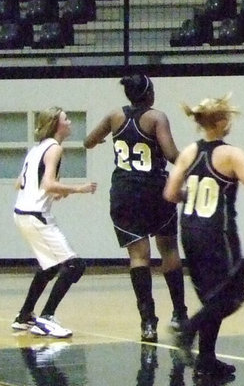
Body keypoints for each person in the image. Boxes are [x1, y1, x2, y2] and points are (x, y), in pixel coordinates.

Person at [164, 93, 244, 380]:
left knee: (212, 297)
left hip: (189, 230)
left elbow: (171, 194)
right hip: (217, 232)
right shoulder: (231, 154)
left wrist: (194, 194)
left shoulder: (188, 152)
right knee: (233, 296)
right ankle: (187, 331)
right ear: (222, 122)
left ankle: (206, 359)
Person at [84, 74, 187, 342]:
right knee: (169, 250)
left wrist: (101, 141)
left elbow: (88, 141)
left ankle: (147, 322)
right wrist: (193, 160)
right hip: (154, 190)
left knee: (138, 257)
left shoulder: (114, 116)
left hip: (125, 192)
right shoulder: (156, 118)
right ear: (149, 93)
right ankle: (179, 313)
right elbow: (170, 154)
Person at [12, 107, 97, 338]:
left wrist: (56, 192)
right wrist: (78, 189)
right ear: (56, 124)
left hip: (22, 213)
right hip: (36, 215)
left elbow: (20, 183)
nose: (69, 122)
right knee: (74, 265)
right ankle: (47, 317)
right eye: (65, 119)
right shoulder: (55, 148)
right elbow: (48, 184)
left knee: (49, 267)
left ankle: (24, 316)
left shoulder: (36, 149)